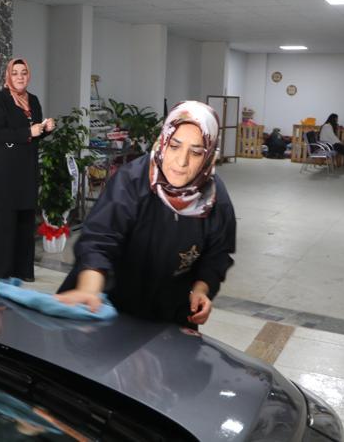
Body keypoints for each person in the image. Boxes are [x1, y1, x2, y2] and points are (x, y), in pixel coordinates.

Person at [55, 101, 236, 328]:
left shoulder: (214, 199)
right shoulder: (131, 181)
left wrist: (200, 290)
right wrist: (90, 290)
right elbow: (99, 240)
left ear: (209, 155)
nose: (181, 162)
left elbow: (217, 255)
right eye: (174, 146)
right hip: (111, 307)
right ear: (163, 141)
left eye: (196, 152)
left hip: (169, 314)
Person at [0, 59, 54, 283]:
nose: (20, 77)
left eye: (24, 73)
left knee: (25, 222)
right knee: (5, 223)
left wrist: (45, 130)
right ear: (8, 76)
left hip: (26, 168)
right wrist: (28, 132)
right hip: (5, 171)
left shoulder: (33, 100)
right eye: (15, 73)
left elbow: (34, 135)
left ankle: (23, 271)